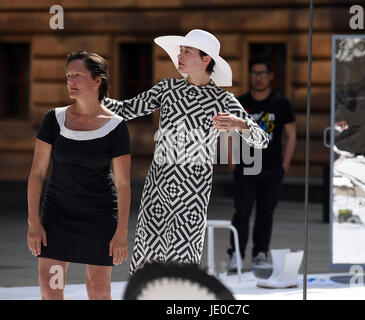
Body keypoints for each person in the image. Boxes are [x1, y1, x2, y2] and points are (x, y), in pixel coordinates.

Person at [103, 29, 269, 275]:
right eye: (180, 51)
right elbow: (127, 110)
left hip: (192, 197)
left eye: (187, 51)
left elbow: (262, 140)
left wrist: (240, 124)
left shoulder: (222, 99)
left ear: (205, 59)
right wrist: (94, 95)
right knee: (146, 263)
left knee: (181, 267)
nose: (179, 55)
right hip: (157, 190)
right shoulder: (167, 88)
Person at [27, 51, 131, 300]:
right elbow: (37, 173)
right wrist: (33, 222)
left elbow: (123, 183)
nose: (70, 81)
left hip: (99, 217)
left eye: (77, 75)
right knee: (50, 286)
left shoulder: (116, 126)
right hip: (57, 216)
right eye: (68, 76)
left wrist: (121, 232)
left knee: (98, 289)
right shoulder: (54, 119)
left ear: (97, 81)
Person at [227, 55, 296, 270]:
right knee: (242, 212)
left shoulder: (281, 103)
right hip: (246, 167)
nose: (258, 78)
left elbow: (291, 134)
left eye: (262, 74)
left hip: (273, 168)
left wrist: (285, 164)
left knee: (266, 213)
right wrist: (232, 160)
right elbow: (230, 132)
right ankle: (236, 254)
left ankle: (260, 254)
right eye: (255, 74)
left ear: (270, 76)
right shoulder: (241, 102)